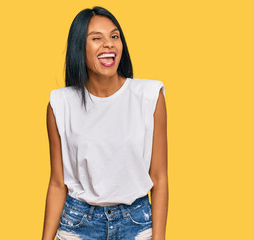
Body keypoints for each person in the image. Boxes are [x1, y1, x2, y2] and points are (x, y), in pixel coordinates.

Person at [42, 6, 168, 240]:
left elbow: (159, 178)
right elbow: (58, 184)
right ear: (79, 48)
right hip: (78, 225)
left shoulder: (149, 96)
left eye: (114, 36)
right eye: (96, 38)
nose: (109, 44)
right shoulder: (60, 104)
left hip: (136, 224)